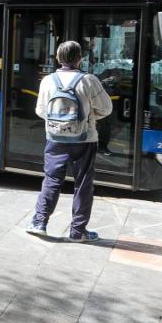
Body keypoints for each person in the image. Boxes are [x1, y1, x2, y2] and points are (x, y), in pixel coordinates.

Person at [26, 40, 113, 243]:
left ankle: (39, 222)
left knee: (51, 180)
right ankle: (78, 232)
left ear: (57, 58)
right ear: (79, 58)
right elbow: (106, 108)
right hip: (85, 140)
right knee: (83, 184)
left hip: (55, 138)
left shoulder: (47, 81)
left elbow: (40, 111)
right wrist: (88, 117)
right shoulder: (88, 80)